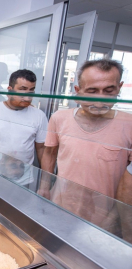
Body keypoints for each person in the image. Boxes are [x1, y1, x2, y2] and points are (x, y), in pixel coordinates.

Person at [39, 59, 132, 236]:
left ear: (119, 88)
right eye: (92, 91)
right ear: (78, 91)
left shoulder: (129, 124)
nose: (100, 99)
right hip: (61, 205)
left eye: (108, 91)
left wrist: (114, 218)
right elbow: (49, 153)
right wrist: (44, 187)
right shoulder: (60, 118)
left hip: (105, 216)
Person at [0, 69, 47, 184]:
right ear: (9, 90)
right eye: (22, 90)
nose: (27, 98)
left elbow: (42, 149)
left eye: (31, 91)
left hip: (23, 180)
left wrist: (45, 182)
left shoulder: (39, 116)